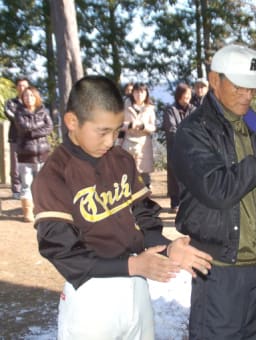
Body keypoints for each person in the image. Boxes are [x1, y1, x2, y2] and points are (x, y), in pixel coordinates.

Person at [31, 75, 212, 340]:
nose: (110, 141)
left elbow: (144, 218)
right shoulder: (53, 175)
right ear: (72, 122)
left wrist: (167, 247)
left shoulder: (121, 159)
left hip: (136, 289)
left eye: (117, 131)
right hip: (90, 296)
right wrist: (131, 265)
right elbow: (64, 252)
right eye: (102, 131)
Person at [171, 44, 256, 339]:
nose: (248, 96)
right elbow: (216, 189)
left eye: (253, 89)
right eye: (239, 87)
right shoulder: (194, 130)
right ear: (214, 79)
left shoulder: (254, 120)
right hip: (218, 269)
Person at [15, 86, 53, 222]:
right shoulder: (19, 112)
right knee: (26, 185)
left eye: (31, 95)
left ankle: (42, 210)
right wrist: (39, 127)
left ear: (36, 97)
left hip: (43, 154)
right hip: (25, 155)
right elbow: (23, 128)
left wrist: (33, 132)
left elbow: (49, 127)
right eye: (26, 96)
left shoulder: (44, 111)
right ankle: (27, 212)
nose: (28, 98)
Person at [163, 83, 196, 213]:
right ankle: (175, 202)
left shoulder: (194, 109)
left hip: (191, 150)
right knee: (175, 176)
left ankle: (189, 202)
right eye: (185, 94)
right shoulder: (170, 110)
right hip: (175, 149)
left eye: (189, 94)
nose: (187, 96)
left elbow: (197, 127)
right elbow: (171, 129)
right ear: (179, 95)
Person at [120, 82, 156, 188]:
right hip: (128, 143)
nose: (139, 95)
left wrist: (143, 126)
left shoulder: (150, 108)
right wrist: (130, 125)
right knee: (127, 173)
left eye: (142, 92)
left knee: (144, 175)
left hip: (144, 145)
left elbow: (153, 127)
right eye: (136, 92)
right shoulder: (125, 105)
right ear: (133, 93)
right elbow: (118, 124)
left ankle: (144, 199)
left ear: (146, 94)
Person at [4, 76, 29, 199]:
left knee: (29, 164)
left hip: (30, 139)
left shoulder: (31, 102)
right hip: (15, 137)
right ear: (16, 88)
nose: (22, 88)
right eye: (20, 85)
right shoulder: (11, 103)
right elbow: (11, 116)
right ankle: (16, 190)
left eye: (24, 85)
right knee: (15, 166)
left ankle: (28, 189)